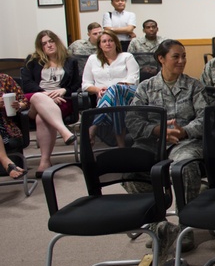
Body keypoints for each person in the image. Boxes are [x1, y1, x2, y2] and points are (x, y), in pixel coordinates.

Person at [126, 40, 208, 266]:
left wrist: (183, 131)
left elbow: (205, 119)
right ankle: (158, 226)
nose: (181, 61)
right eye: (176, 56)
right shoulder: (146, 88)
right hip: (153, 142)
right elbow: (133, 119)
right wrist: (156, 130)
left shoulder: (194, 86)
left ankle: (186, 226)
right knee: (131, 167)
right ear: (161, 59)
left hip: (185, 142)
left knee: (184, 167)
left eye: (184, 56)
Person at [21, 31, 81, 176]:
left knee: (42, 118)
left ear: (57, 42)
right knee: (37, 97)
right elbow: (27, 84)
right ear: (40, 47)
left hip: (61, 100)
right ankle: (64, 131)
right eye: (44, 43)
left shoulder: (70, 61)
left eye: (51, 41)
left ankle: (45, 161)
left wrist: (63, 90)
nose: (49, 45)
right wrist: (47, 95)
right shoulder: (32, 60)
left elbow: (76, 84)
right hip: (35, 98)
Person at [82, 30, 140, 112]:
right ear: (100, 45)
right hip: (103, 97)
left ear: (116, 43)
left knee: (113, 89)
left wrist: (113, 89)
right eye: (104, 41)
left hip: (126, 95)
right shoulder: (92, 59)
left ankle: (98, 123)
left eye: (111, 41)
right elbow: (86, 84)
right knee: (111, 97)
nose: (108, 43)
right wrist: (98, 90)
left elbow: (133, 79)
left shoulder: (127, 57)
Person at [0, 73, 28, 180]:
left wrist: (18, 105)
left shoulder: (4, 79)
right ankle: (6, 162)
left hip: (6, 128)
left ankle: (6, 162)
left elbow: (24, 101)